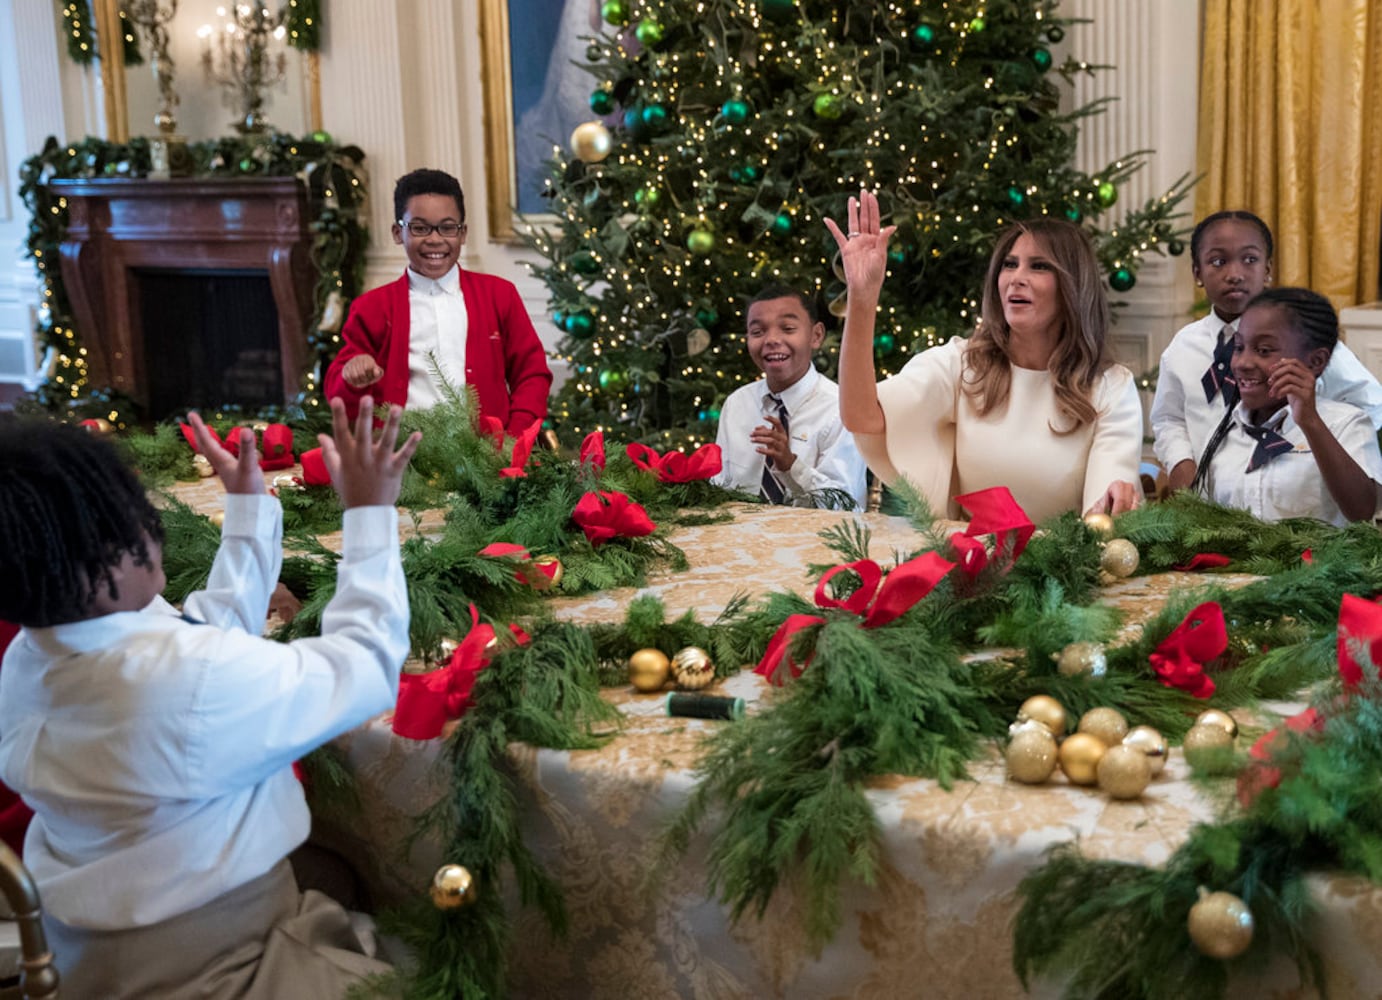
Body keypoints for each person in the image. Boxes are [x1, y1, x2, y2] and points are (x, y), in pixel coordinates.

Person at [0, 397, 420, 997]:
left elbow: (197, 642)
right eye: (133, 522)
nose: (154, 528)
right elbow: (365, 665)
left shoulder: (34, 654)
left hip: (90, 956)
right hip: (217, 963)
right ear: (99, 570)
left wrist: (248, 509)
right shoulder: (173, 681)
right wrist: (370, 516)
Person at [826, 190, 1142, 523]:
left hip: (1064, 570)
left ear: (1072, 286)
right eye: (1009, 264)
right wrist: (862, 298)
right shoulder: (963, 365)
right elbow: (862, 417)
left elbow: (1102, 519)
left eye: (1038, 266)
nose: (1016, 278)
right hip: (970, 563)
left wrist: (1113, 504)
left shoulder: (1110, 388)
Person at [1150, 210, 1382, 493]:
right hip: (1207, 510)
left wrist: (1310, 443)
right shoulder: (1183, 348)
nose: (1234, 274)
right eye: (1218, 261)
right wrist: (1180, 464)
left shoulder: (1303, 341)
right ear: (1197, 272)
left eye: (1250, 260)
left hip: (1289, 507)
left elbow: (1370, 404)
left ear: (1268, 269)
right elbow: (1169, 419)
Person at [324, 168, 552, 433]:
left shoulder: (500, 295)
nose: (434, 239)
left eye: (447, 227)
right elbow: (339, 395)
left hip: (486, 458)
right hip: (402, 457)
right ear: (398, 233)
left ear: (463, 233)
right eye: (419, 228)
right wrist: (352, 378)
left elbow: (532, 374)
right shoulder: (371, 307)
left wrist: (514, 439)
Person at [1191, 288, 1382, 526]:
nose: (1243, 363)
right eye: (1239, 347)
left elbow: (1361, 510)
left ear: (1316, 361)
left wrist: (1310, 422)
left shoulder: (1347, 424)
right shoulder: (1223, 434)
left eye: (1264, 350)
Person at [712, 284, 868, 510]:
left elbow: (847, 507)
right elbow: (719, 487)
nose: (771, 339)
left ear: (816, 336)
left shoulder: (840, 409)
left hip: (816, 542)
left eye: (787, 328)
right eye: (757, 332)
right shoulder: (737, 404)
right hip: (742, 539)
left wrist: (791, 466)